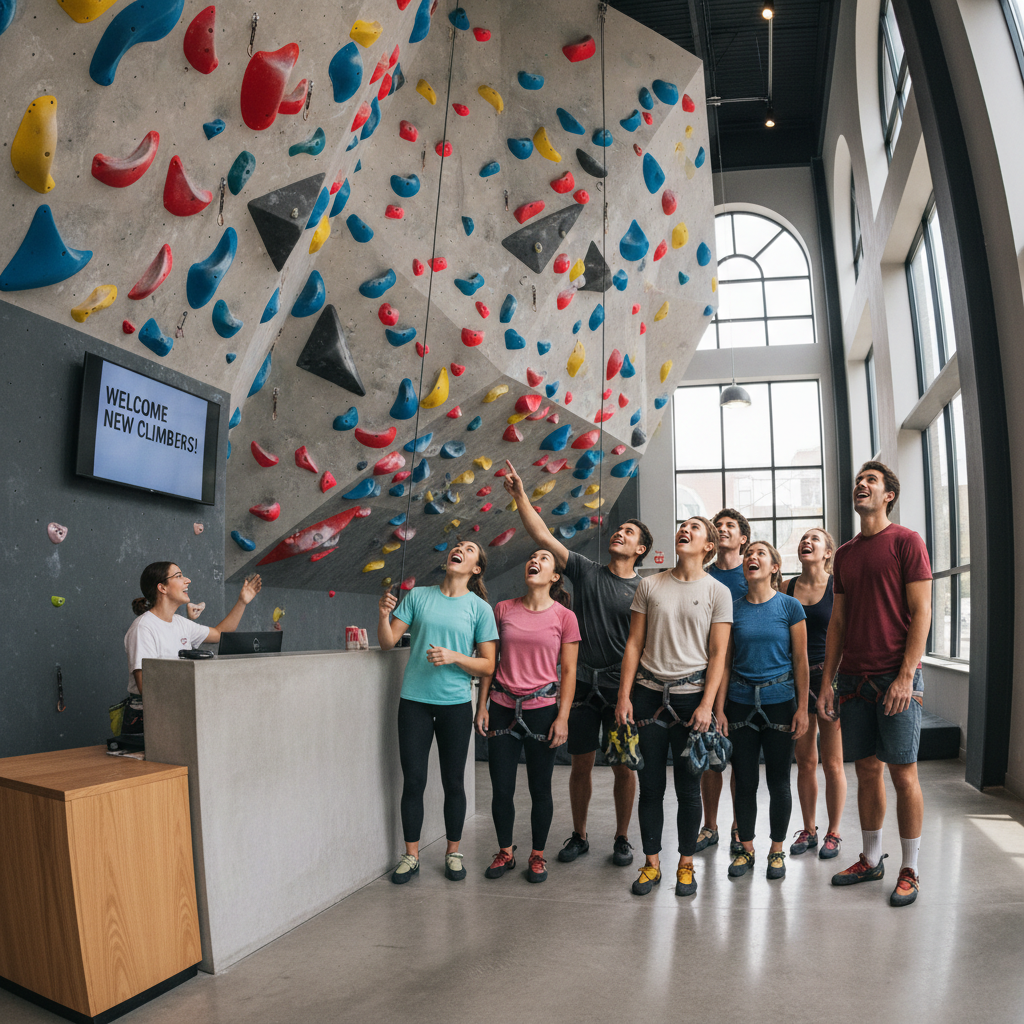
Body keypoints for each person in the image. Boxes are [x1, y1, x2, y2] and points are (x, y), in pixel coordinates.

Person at [503, 459, 652, 868]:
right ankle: (580, 834)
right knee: (581, 764)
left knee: (624, 767)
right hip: (584, 687)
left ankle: (622, 838)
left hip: (622, 691)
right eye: (619, 529)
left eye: (629, 533)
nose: (619, 533)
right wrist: (520, 496)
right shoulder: (586, 571)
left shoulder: (645, 588)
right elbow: (542, 535)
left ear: (641, 550)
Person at [819, 462, 931, 907]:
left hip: (895, 676)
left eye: (871, 480)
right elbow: (838, 623)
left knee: (904, 774)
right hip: (853, 679)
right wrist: (827, 681)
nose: (861, 485)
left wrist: (907, 674)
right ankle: (870, 858)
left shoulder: (906, 542)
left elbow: (921, 611)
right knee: (866, 770)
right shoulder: (844, 554)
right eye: (858, 481)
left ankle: (911, 868)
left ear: (888, 495)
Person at [614, 517, 732, 898]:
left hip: (691, 699)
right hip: (649, 696)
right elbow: (634, 643)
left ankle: (685, 863)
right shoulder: (650, 584)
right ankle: (651, 864)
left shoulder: (717, 592)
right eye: (681, 525)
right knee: (649, 786)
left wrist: (707, 705)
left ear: (708, 546)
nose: (684, 529)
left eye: (695, 528)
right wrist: (624, 696)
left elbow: (718, 654)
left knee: (688, 788)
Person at [378, 541, 498, 885]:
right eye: (457, 546)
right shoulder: (418, 596)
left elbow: (488, 664)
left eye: (469, 548)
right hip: (414, 701)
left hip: (455, 706)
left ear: (476, 568)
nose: (459, 549)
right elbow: (388, 642)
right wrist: (383, 615)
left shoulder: (479, 609)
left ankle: (453, 852)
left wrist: (454, 657)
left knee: (453, 782)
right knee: (413, 781)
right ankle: (411, 856)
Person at [475, 549, 580, 883]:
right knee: (501, 789)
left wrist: (562, 717)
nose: (534, 559)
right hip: (503, 707)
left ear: (554, 577)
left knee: (540, 788)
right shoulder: (503, 609)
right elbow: (489, 663)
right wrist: (481, 706)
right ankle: (505, 852)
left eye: (544, 558)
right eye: (531, 556)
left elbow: (570, 671)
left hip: (542, 711)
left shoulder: (565, 617)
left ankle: (537, 855)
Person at [717, 541, 809, 881]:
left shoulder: (790, 607)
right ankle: (747, 848)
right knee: (744, 781)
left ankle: (776, 850)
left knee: (779, 781)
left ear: (774, 567)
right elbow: (724, 663)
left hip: (780, 703)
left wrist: (802, 708)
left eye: (760, 554)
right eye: (748, 554)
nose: (751, 557)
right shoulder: (732, 609)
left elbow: (800, 661)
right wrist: (719, 709)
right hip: (740, 703)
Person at [123, 563, 262, 735]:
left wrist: (242, 602)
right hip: (148, 719)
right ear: (162, 587)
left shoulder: (181, 623)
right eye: (179, 576)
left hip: (178, 711)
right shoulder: (143, 628)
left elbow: (219, 633)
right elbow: (148, 689)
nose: (187, 580)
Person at [784, 528, 845, 859]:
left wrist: (833, 686)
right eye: (803, 539)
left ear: (827, 553)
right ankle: (809, 829)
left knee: (833, 762)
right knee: (805, 761)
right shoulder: (787, 587)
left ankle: (834, 832)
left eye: (815, 539)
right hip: (798, 684)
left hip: (830, 682)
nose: (806, 542)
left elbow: (845, 636)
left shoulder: (837, 587)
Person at [697, 508, 750, 855]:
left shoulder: (753, 577)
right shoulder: (702, 577)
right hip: (707, 678)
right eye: (718, 526)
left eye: (730, 526)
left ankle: (738, 826)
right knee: (709, 757)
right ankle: (710, 825)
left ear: (744, 539)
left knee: (741, 760)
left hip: (744, 680)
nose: (723, 529)